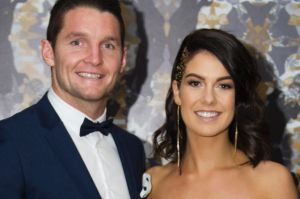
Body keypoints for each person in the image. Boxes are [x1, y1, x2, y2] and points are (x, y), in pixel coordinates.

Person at [0, 0, 145, 198]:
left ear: (122, 59)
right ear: (48, 52)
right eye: (77, 42)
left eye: (108, 45)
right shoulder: (8, 141)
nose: (95, 58)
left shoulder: (132, 149)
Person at [140, 29, 298, 198]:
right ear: (177, 92)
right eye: (195, 83)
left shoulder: (272, 181)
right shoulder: (155, 182)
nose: (209, 99)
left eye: (224, 86)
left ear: (237, 97)